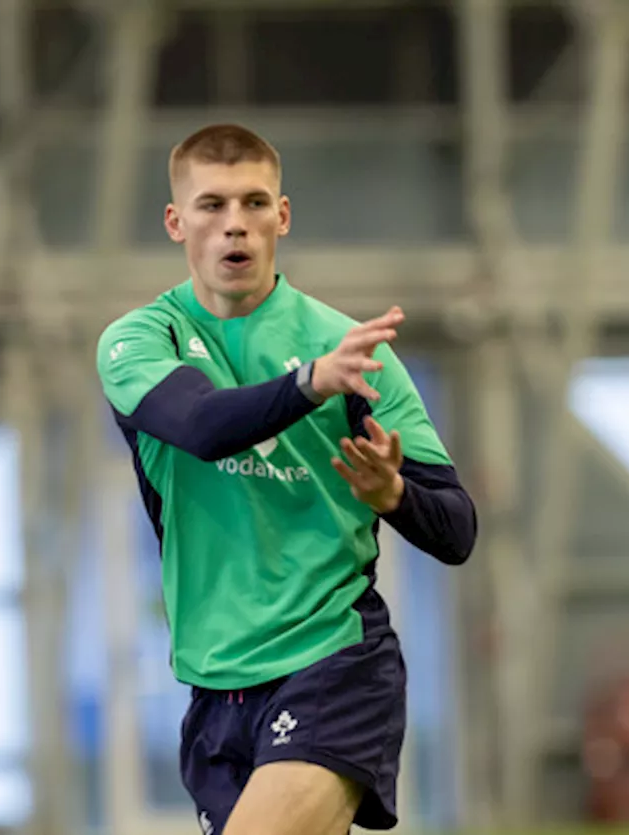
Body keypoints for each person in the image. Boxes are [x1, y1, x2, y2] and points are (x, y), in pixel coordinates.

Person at [95, 123, 478, 835]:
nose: (234, 224)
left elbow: (457, 528)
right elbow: (202, 425)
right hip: (216, 685)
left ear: (283, 216)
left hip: (335, 664)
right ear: (177, 222)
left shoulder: (354, 353)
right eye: (211, 205)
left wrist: (393, 494)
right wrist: (308, 386)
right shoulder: (138, 341)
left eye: (254, 203)